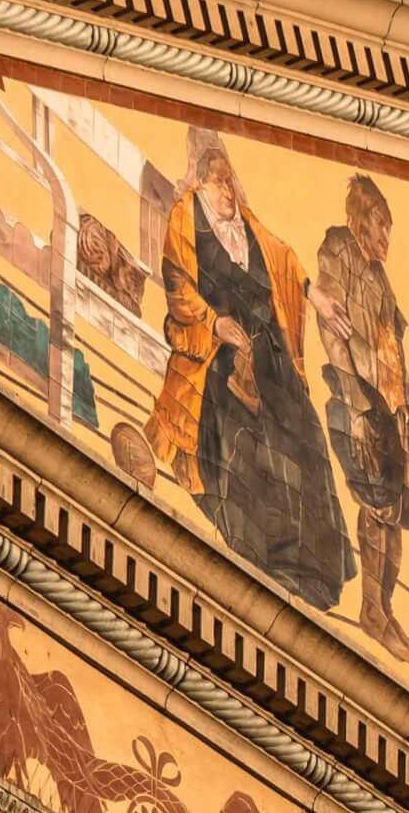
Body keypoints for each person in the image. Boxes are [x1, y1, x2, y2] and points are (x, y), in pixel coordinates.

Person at [146, 140, 352, 608]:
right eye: (218, 180)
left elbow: (282, 258)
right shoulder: (186, 217)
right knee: (251, 447)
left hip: (270, 354)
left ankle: (316, 572)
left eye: (230, 179)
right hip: (217, 356)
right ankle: (266, 560)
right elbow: (177, 285)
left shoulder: (247, 223)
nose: (227, 189)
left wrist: (312, 295)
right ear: (201, 181)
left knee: (306, 445)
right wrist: (214, 323)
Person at [309, 173, 409, 661]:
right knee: (376, 508)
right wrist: (355, 400)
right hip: (358, 402)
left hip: (392, 412)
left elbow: (396, 358)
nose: (386, 236)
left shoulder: (382, 283)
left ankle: (383, 609)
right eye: (379, 224)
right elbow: (332, 328)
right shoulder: (340, 250)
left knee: (394, 520)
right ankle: (372, 609)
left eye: (388, 226)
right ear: (360, 220)